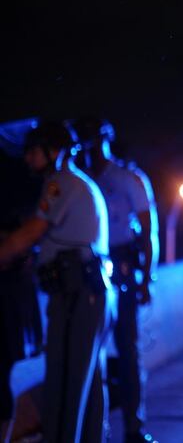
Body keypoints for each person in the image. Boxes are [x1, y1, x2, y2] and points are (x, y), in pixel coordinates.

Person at [0, 119, 112, 443]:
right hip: (84, 290)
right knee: (86, 384)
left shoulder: (61, 183)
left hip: (76, 293)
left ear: (55, 151)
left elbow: (28, 236)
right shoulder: (75, 183)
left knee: (65, 384)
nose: (28, 159)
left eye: (34, 151)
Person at [72, 117, 159, 443]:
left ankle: (134, 428)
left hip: (122, 269)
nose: (89, 150)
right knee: (90, 355)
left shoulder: (128, 178)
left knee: (127, 351)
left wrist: (146, 277)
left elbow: (148, 230)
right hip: (89, 271)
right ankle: (96, 429)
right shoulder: (79, 183)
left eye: (94, 142)